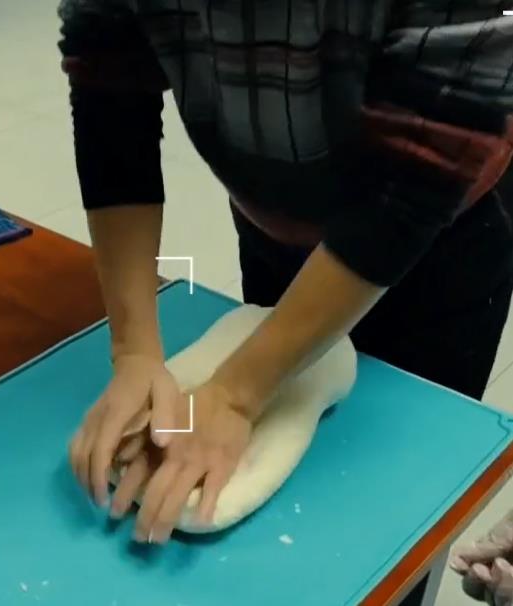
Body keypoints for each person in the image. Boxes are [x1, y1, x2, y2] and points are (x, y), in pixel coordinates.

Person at [58, 1, 513, 604]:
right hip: (277, 220)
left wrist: (233, 394)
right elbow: (110, 95)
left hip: (442, 245)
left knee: (385, 532)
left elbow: (417, 179)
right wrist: (134, 350)